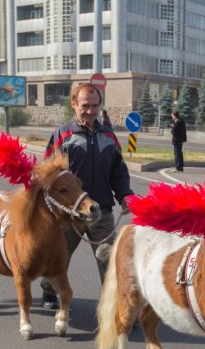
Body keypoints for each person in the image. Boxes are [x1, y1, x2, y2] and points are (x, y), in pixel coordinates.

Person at [39, 82, 134, 310]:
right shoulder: (62, 135)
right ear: (74, 104)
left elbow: (118, 171)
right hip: (69, 213)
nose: (90, 110)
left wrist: (125, 195)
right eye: (85, 105)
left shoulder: (109, 136)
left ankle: (116, 308)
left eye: (94, 105)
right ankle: (49, 289)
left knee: (109, 260)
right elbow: (47, 173)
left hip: (101, 212)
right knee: (60, 258)